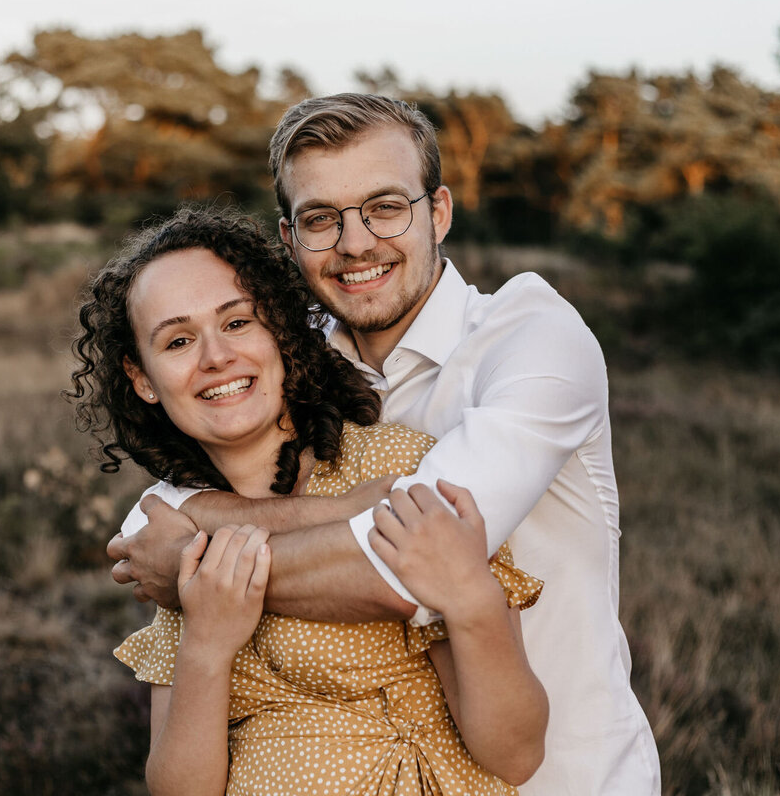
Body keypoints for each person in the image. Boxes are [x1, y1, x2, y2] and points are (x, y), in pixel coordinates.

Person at [110, 94, 661, 794]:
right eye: (321, 219)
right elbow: (154, 517)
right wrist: (199, 564)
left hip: (565, 777)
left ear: (438, 213)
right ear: (289, 240)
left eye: (385, 207)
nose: (356, 242)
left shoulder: (530, 335)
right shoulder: (292, 361)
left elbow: (403, 565)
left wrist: (201, 568)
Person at [71, 206, 548, 795]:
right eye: (177, 340)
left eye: (239, 323)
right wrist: (206, 645)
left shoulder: (399, 469)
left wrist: (472, 598)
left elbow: (517, 754)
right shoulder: (176, 537)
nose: (216, 357)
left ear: (281, 329)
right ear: (142, 377)